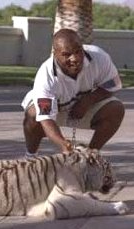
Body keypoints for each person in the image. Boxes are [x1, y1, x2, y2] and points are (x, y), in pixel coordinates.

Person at [21, 28, 125, 156]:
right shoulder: (45, 76)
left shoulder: (98, 57)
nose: (74, 58)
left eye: (78, 51)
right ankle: (30, 157)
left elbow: (114, 84)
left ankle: (90, 156)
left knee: (116, 109)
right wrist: (64, 145)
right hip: (54, 113)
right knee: (33, 114)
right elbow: (46, 119)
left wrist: (88, 100)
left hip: (82, 108)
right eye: (66, 54)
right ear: (55, 53)